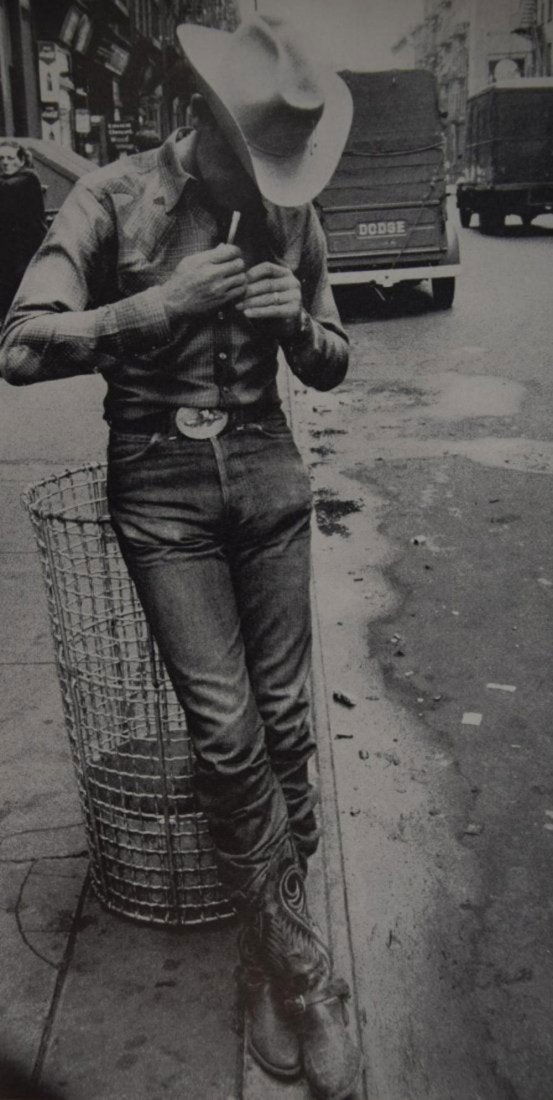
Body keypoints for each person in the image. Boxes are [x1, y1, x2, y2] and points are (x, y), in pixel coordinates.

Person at [0, 15, 361, 1099]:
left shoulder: (292, 215)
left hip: (267, 469)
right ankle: (302, 969)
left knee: (290, 720)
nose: (265, 184)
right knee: (226, 725)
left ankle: (265, 950)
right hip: (158, 477)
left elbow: (336, 360)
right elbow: (18, 343)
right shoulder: (108, 196)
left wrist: (297, 324)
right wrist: (153, 308)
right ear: (200, 117)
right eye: (252, 156)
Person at [0, 141, 46, 318]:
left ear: (21, 160)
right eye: (1, 158)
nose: (5, 162)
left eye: (10, 158)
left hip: (26, 250)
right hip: (9, 251)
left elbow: (7, 188)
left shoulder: (28, 178)